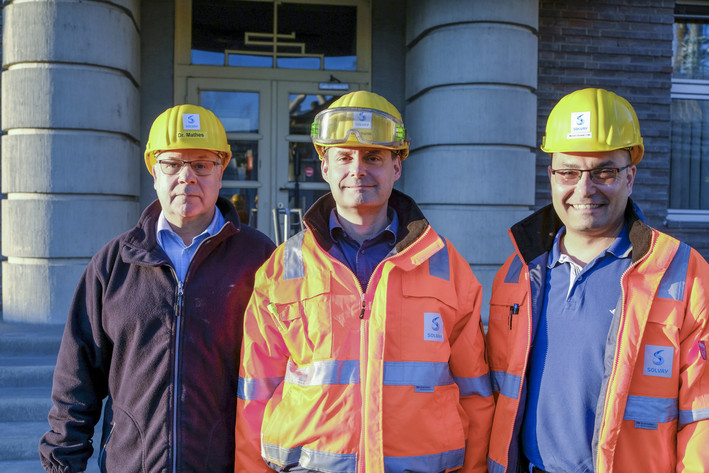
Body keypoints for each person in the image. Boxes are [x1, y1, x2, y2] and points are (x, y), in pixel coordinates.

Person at [235, 91, 494, 473]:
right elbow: (254, 395)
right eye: (344, 156)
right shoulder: (282, 269)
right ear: (325, 167)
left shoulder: (447, 267)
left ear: (397, 167)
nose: (358, 169)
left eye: (373, 157)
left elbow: (476, 394)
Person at [39, 104, 275, 472]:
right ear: (153, 170)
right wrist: (61, 462)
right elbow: (77, 375)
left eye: (202, 164)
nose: (187, 176)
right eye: (172, 164)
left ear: (221, 170)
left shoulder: (260, 259)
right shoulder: (114, 262)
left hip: (227, 464)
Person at [486, 88, 709, 473]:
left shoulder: (681, 273)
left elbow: (702, 415)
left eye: (604, 171)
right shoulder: (518, 271)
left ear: (630, 176)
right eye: (568, 172)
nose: (584, 189)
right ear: (552, 177)